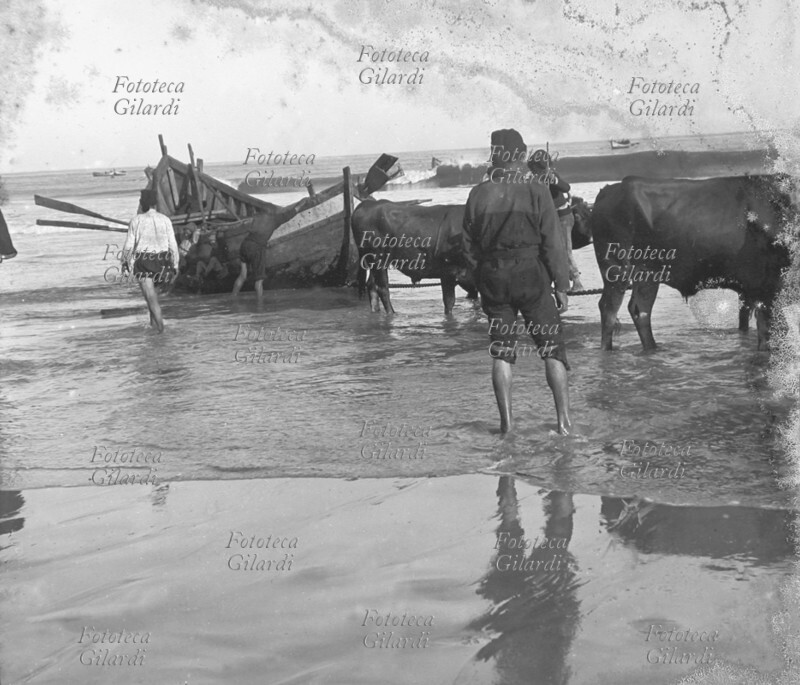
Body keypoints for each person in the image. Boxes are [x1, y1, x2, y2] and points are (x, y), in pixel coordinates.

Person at [463, 129, 572, 434]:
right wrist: (561, 285)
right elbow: (553, 242)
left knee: (501, 352)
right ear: (520, 155)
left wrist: (481, 281)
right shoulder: (536, 189)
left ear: (495, 155)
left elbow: (468, 248)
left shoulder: (478, 194)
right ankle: (564, 424)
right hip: (531, 276)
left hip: (494, 278)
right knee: (552, 349)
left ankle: (507, 426)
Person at [121, 189, 179, 332]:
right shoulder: (165, 220)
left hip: (144, 260)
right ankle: (154, 328)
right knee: (153, 298)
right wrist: (175, 264)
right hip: (163, 260)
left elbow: (129, 244)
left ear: (142, 203)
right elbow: (173, 244)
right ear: (155, 203)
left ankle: (161, 331)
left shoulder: (136, 220)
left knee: (151, 298)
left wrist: (125, 262)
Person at [529, 150, 586, 292]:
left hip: (562, 217)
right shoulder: (533, 178)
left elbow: (566, 187)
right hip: (548, 218)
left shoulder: (551, 175)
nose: (533, 170)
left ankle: (577, 281)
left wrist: (553, 180)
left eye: (535, 167)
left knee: (565, 250)